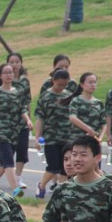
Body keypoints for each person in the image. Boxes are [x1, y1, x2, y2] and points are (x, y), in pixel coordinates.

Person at [0, 63, 33, 197]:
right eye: (6, 73)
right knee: (8, 160)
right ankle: (15, 188)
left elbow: (22, 110)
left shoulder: (17, 92)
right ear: (0, 76)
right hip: (2, 131)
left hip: (15, 131)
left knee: (2, 162)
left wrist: (28, 120)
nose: (9, 75)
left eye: (11, 72)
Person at [34, 69, 73, 198]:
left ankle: (60, 192)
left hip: (67, 136)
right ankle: (41, 185)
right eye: (59, 84)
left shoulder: (69, 96)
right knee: (53, 166)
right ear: (53, 81)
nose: (62, 87)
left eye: (64, 85)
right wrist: (37, 137)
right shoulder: (46, 96)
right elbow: (40, 118)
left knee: (65, 167)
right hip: (51, 137)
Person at [8, 52, 31, 189]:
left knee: (22, 150)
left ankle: (18, 178)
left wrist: (28, 119)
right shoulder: (5, 79)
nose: (14, 65)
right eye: (11, 62)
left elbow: (27, 100)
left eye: (17, 62)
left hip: (23, 121)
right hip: (9, 123)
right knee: (8, 151)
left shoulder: (24, 81)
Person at [65, 72, 106, 141]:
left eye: (94, 82)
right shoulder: (76, 101)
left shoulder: (99, 103)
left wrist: (100, 138)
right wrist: (89, 129)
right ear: (82, 85)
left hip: (93, 140)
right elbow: (73, 118)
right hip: (77, 140)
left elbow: (104, 123)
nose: (93, 85)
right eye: (90, 82)